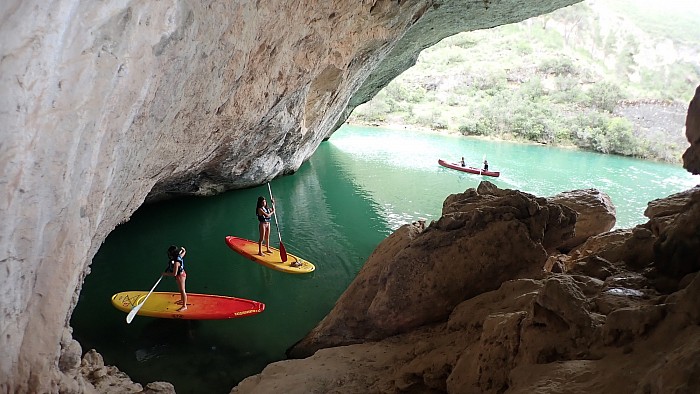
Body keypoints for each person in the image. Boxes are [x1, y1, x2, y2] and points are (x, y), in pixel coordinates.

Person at [163, 245, 187, 311]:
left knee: (182, 290)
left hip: (181, 276)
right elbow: (184, 252)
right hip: (178, 276)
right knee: (180, 290)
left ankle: (184, 306)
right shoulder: (178, 257)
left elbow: (174, 274)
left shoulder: (176, 262)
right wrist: (183, 250)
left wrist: (165, 274)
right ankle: (182, 300)